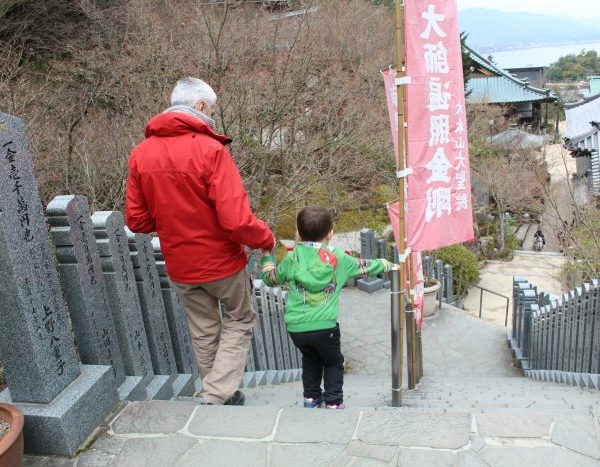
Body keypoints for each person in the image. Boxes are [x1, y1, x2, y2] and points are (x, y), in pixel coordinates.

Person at [125, 77, 275, 406]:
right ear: (201, 106)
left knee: (204, 328)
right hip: (221, 262)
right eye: (213, 109)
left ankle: (218, 391)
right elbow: (236, 221)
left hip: (180, 265)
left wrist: (168, 220)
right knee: (240, 318)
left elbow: (136, 220)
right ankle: (218, 392)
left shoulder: (141, 154)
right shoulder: (210, 150)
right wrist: (265, 238)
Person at [260, 206, 393, 409]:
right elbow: (365, 265)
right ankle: (333, 401)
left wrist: (267, 257)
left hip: (296, 327)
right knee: (333, 362)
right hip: (325, 327)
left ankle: (311, 398)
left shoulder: (291, 258)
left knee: (310, 358)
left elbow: (269, 279)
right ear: (330, 233)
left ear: (298, 233)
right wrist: (386, 264)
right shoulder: (338, 258)